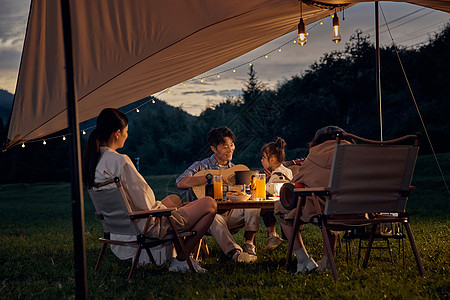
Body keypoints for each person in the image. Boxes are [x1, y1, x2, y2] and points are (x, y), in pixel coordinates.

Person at [83, 108, 217, 273]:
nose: (127, 135)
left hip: (120, 229)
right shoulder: (120, 161)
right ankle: (182, 259)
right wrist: (172, 210)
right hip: (148, 226)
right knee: (210, 204)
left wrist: (173, 207)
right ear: (117, 133)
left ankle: (182, 253)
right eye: (126, 131)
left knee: (174, 198)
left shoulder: (95, 164)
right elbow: (146, 202)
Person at [274, 125, 353, 274]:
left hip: (328, 210)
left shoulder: (317, 153)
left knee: (282, 207)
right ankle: (327, 261)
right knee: (332, 203)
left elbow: (299, 181)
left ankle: (303, 259)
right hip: (361, 209)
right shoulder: (358, 155)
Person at [176, 126, 260, 263]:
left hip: (231, 213)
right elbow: (180, 183)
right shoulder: (201, 166)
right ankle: (236, 253)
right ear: (214, 149)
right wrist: (209, 177)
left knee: (253, 204)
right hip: (209, 218)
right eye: (225, 146)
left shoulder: (234, 170)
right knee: (213, 216)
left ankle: (249, 244)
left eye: (232, 145)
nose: (230, 149)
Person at [259, 137, 293, 252]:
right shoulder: (287, 171)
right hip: (289, 204)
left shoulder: (277, 174)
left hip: (283, 207)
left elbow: (265, 191)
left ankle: (272, 235)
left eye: (263, 158)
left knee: (264, 208)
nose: (261, 160)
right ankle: (274, 236)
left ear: (272, 159)